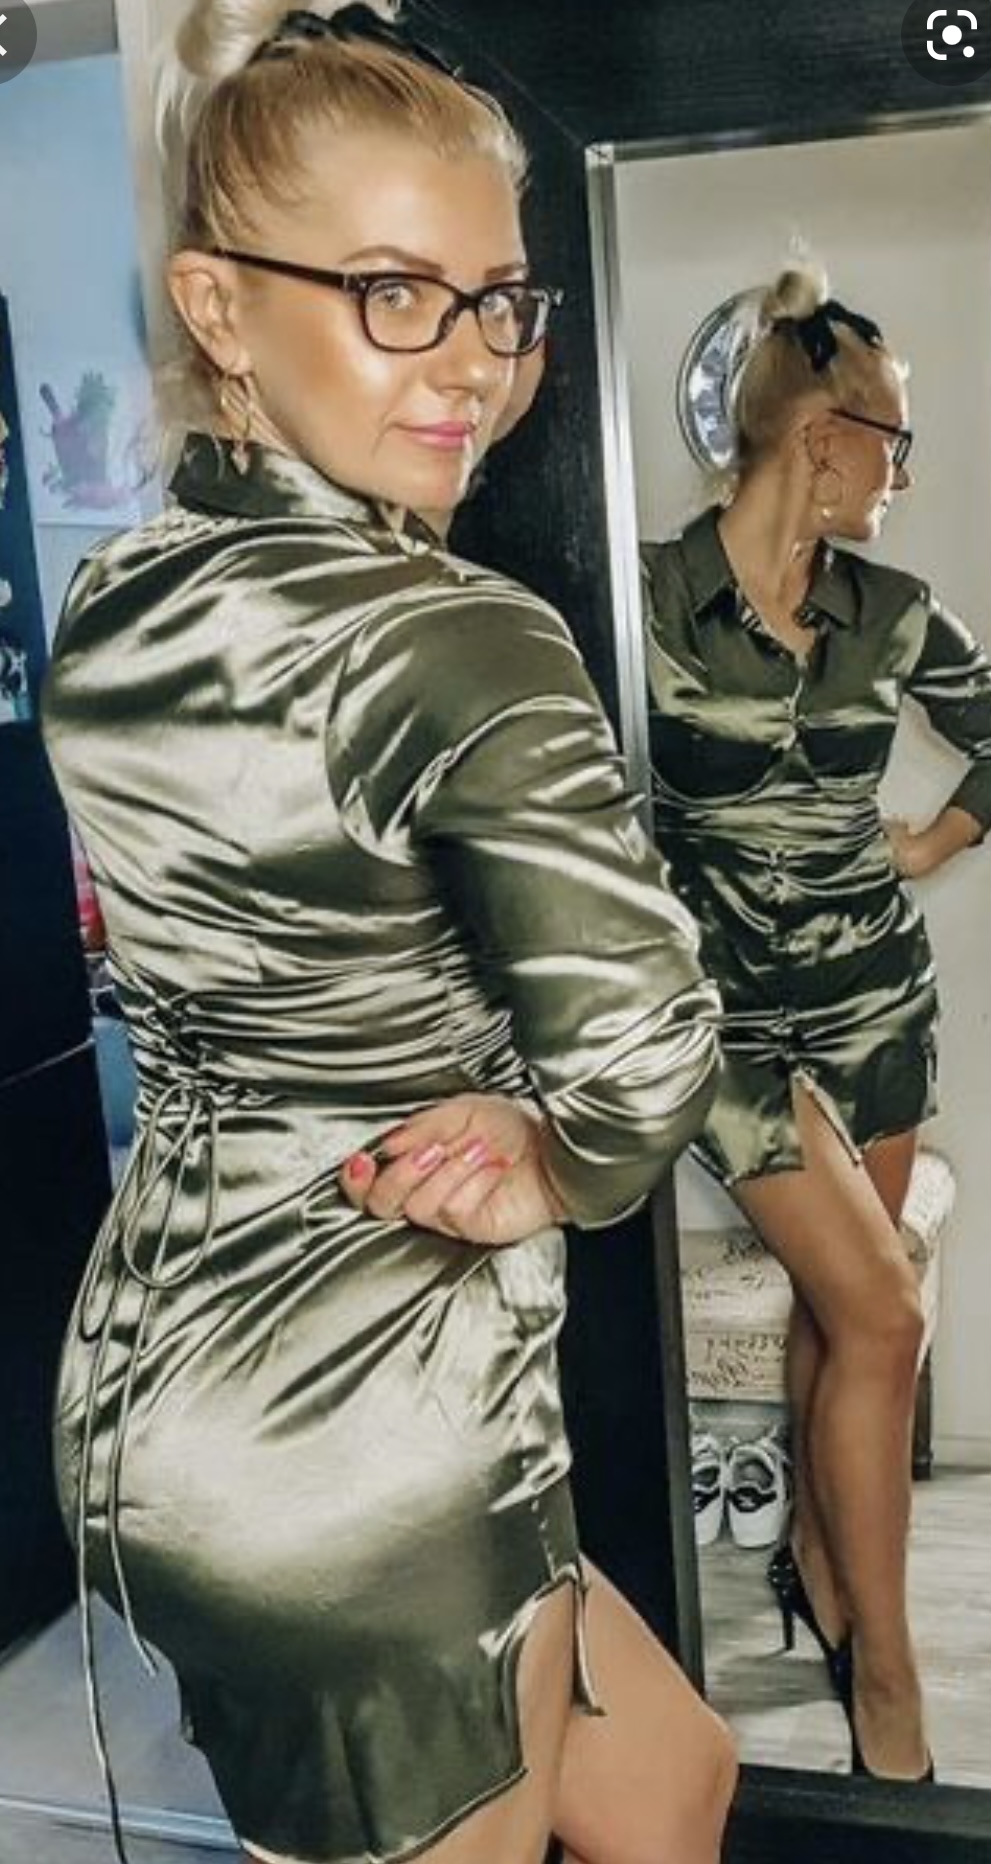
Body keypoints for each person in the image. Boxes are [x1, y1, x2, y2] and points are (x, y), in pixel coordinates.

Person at [41, 6, 737, 1864]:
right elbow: (645, 1058)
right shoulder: (456, 636)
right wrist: (555, 1159)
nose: (474, 367)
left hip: (166, 1390)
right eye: (392, 294)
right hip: (366, 1428)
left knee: (674, 1783)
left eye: (496, 301)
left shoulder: (117, 603)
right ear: (215, 307)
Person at [642, 262, 991, 1783]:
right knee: (887, 1314)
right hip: (729, 1032)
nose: (902, 473)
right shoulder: (645, 600)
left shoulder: (894, 613)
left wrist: (929, 844)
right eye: (894, 441)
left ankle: (815, 1550)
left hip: (875, 1012)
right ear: (819, 439)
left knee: (837, 1309)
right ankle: (891, 1682)